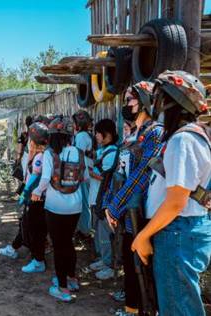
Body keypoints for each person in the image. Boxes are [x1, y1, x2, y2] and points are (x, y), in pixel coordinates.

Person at [131, 71, 211, 316]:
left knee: (178, 308)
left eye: (158, 97)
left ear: (170, 101)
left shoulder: (182, 141)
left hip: (177, 232)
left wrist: (143, 236)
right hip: (179, 231)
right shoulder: (190, 137)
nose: (154, 104)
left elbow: (176, 202)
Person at [104, 81, 164, 316]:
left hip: (145, 215)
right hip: (126, 215)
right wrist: (110, 204)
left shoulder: (155, 133)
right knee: (130, 269)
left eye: (130, 99)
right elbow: (119, 173)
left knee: (146, 273)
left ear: (146, 102)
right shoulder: (131, 136)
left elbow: (141, 175)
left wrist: (115, 205)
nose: (126, 104)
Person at [32, 115, 89, 302]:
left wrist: (37, 192)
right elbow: (85, 178)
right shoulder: (78, 152)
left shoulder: (49, 153)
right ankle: (72, 279)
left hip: (55, 207)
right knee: (69, 243)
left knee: (59, 246)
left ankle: (62, 287)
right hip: (75, 206)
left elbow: (45, 178)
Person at [0, 122, 49, 274]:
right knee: (26, 225)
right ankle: (14, 248)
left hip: (37, 199)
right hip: (34, 198)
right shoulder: (37, 155)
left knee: (35, 230)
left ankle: (38, 261)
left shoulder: (40, 156)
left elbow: (35, 177)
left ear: (33, 141)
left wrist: (25, 193)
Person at [87, 119, 119, 281]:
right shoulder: (103, 151)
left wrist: (90, 172)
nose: (96, 136)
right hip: (95, 198)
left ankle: (110, 266)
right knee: (99, 232)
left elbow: (105, 177)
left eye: (98, 133)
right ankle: (103, 259)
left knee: (105, 234)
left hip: (104, 199)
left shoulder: (112, 152)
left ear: (107, 134)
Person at [72, 110, 94, 236]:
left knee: (84, 203)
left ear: (78, 124)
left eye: (74, 122)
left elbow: (79, 156)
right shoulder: (85, 135)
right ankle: (84, 229)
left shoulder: (81, 136)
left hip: (83, 175)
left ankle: (85, 230)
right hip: (85, 173)